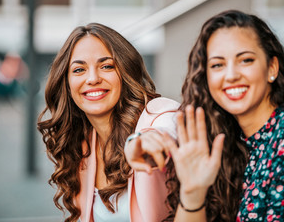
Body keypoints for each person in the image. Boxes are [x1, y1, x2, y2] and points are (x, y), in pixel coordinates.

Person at [126, 10, 284, 221]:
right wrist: (193, 193)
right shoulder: (224, 136)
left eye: (246, 60)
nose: (231, 75)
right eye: (218, 64)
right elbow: (169, 127)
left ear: (272, 68)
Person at [37, 23, 179, 222]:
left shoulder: (157, 112)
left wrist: (145, 141)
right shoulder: (82, 144)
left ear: (125, 72)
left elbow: (169, 126)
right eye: (79, 70)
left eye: (106, 66)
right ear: (67, 84)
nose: (93, 78)